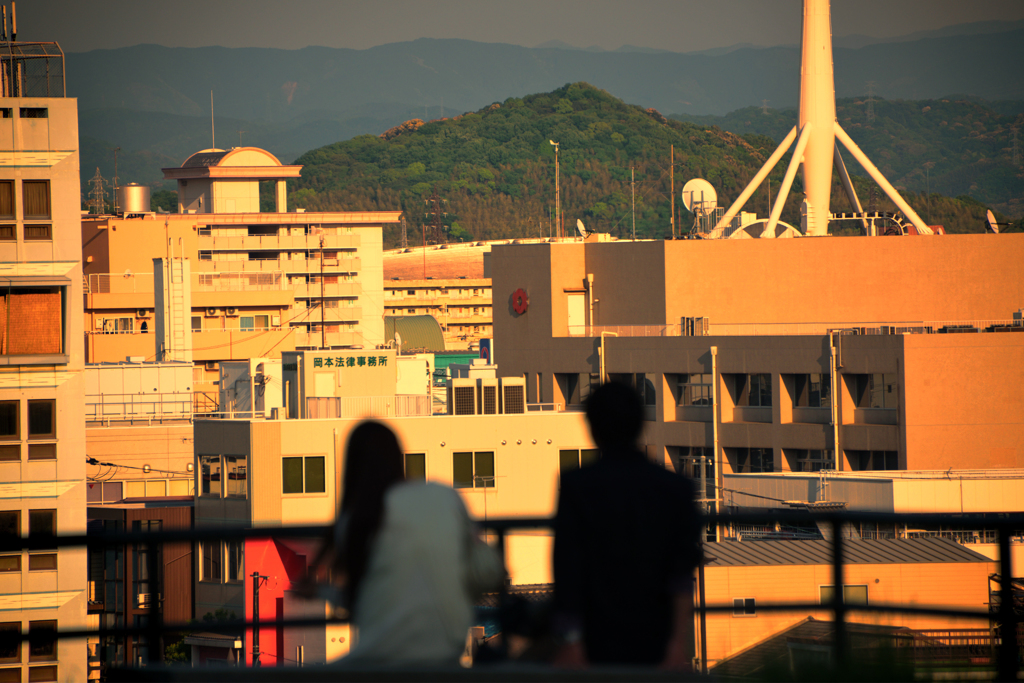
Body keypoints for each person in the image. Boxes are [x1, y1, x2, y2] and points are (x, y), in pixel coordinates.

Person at [307, 420, 503, 665]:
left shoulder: (357, 519)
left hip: (381, 658)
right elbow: (486, 573)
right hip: (447, 651)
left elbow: (361, 600)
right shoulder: (444, 496)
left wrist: (320, 592)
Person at [552, 381, 702, 669]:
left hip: (596, 640)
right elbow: (681, 574)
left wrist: (571, 641)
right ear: (641, 425)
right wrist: (677, 644)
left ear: (592, 428)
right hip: (655, 640)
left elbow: (567, 569)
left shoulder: (577, 486)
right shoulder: (676, 488)